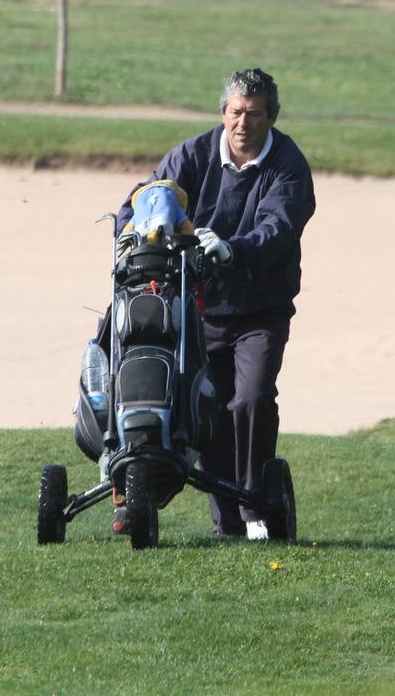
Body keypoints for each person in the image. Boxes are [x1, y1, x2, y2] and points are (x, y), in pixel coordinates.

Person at [114, 68, 315, 539]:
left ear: (272, 117)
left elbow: (278, 227)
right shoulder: (193, 153)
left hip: (260, 309)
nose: (243, 123)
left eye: (255, 114)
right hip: (199, 307)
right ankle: (227, 525)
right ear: (224, 112)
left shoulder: (288, 165)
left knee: (251, 399)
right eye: (236, 112)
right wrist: (133, 230)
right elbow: (143, 199)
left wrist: (232, 248)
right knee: (210, 412)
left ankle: (257, 510)